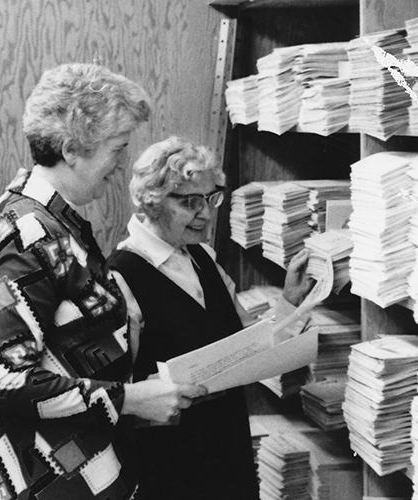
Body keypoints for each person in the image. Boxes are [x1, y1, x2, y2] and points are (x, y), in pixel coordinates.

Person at [0, 64, 207, 500]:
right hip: (37, 478)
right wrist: (130, 398)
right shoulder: (28, 233)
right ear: (72, 149)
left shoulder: (50, 216)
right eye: (118, 148)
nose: (123, 164)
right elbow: (9, 380)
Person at [107, 136, 316, 500]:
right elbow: (117, 392)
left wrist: (289, 303)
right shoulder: (121, 276)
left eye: (210, 198)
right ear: (153, 201)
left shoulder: (203, 258)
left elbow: (245, 342)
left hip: (227, 450)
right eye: (190, 202)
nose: (205, 213)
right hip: (168, 469)